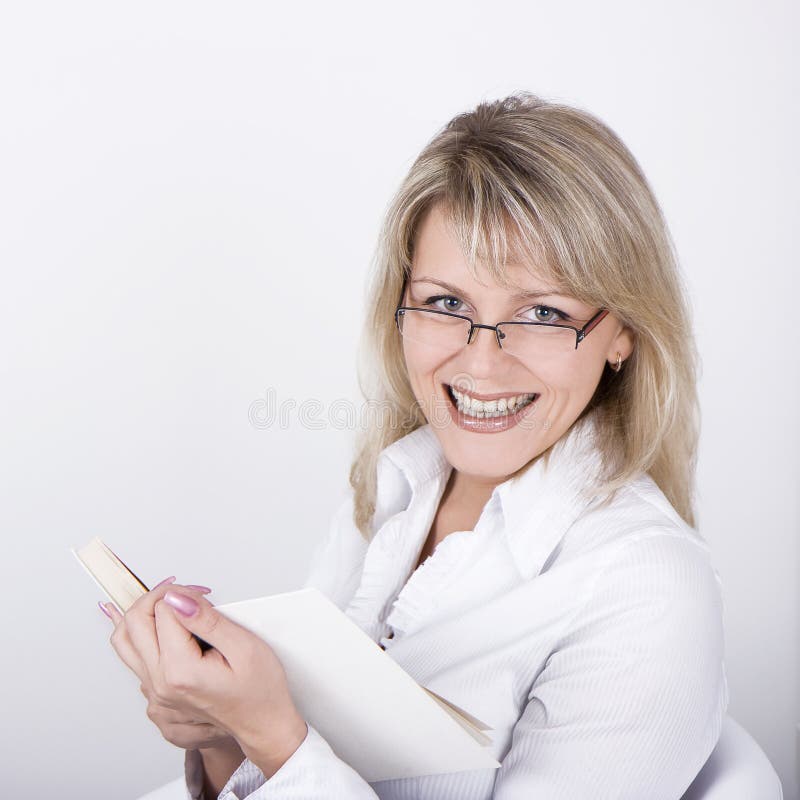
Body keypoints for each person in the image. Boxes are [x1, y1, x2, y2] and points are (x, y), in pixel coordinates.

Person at [103, 92, 729, 800]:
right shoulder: (393, 486)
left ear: (624, 334)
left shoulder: (646, 590)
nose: (480, 364)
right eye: (446, 303)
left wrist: (277, 739)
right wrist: (224, 733)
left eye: (543, 313)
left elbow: (295, 757)